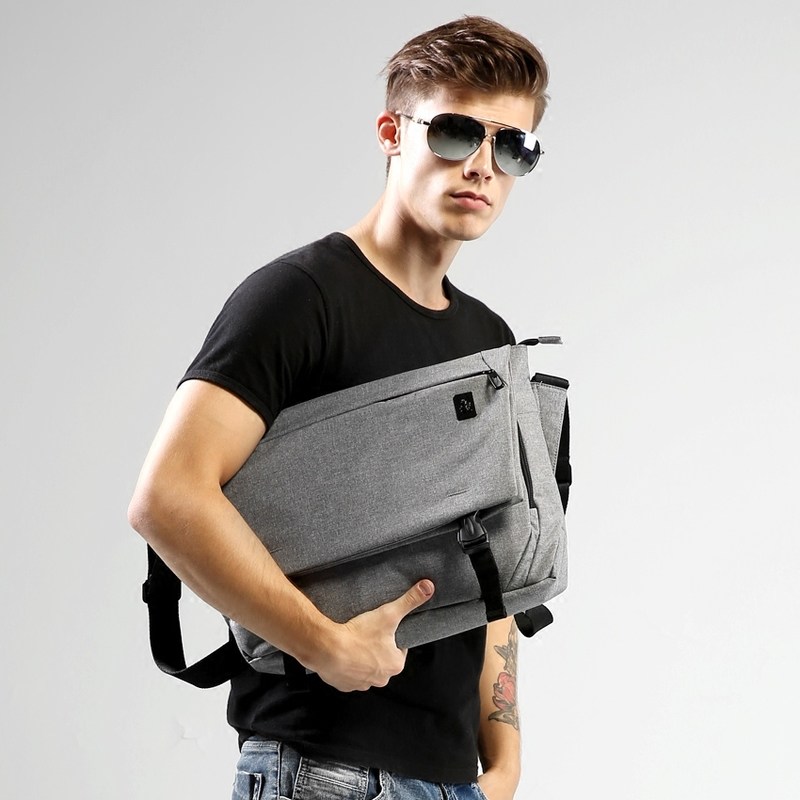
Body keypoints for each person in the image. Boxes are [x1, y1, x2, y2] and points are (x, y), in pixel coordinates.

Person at [128, 14, 550, 800]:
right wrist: (322, 644)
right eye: (456, 133)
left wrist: (504, 760)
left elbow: (491, 555)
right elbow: (168, 496)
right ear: (392, 133)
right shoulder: (302, 298)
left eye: (512, 147)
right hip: (326, 769)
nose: (482, 166)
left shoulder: (489, 339)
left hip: (450, 780)